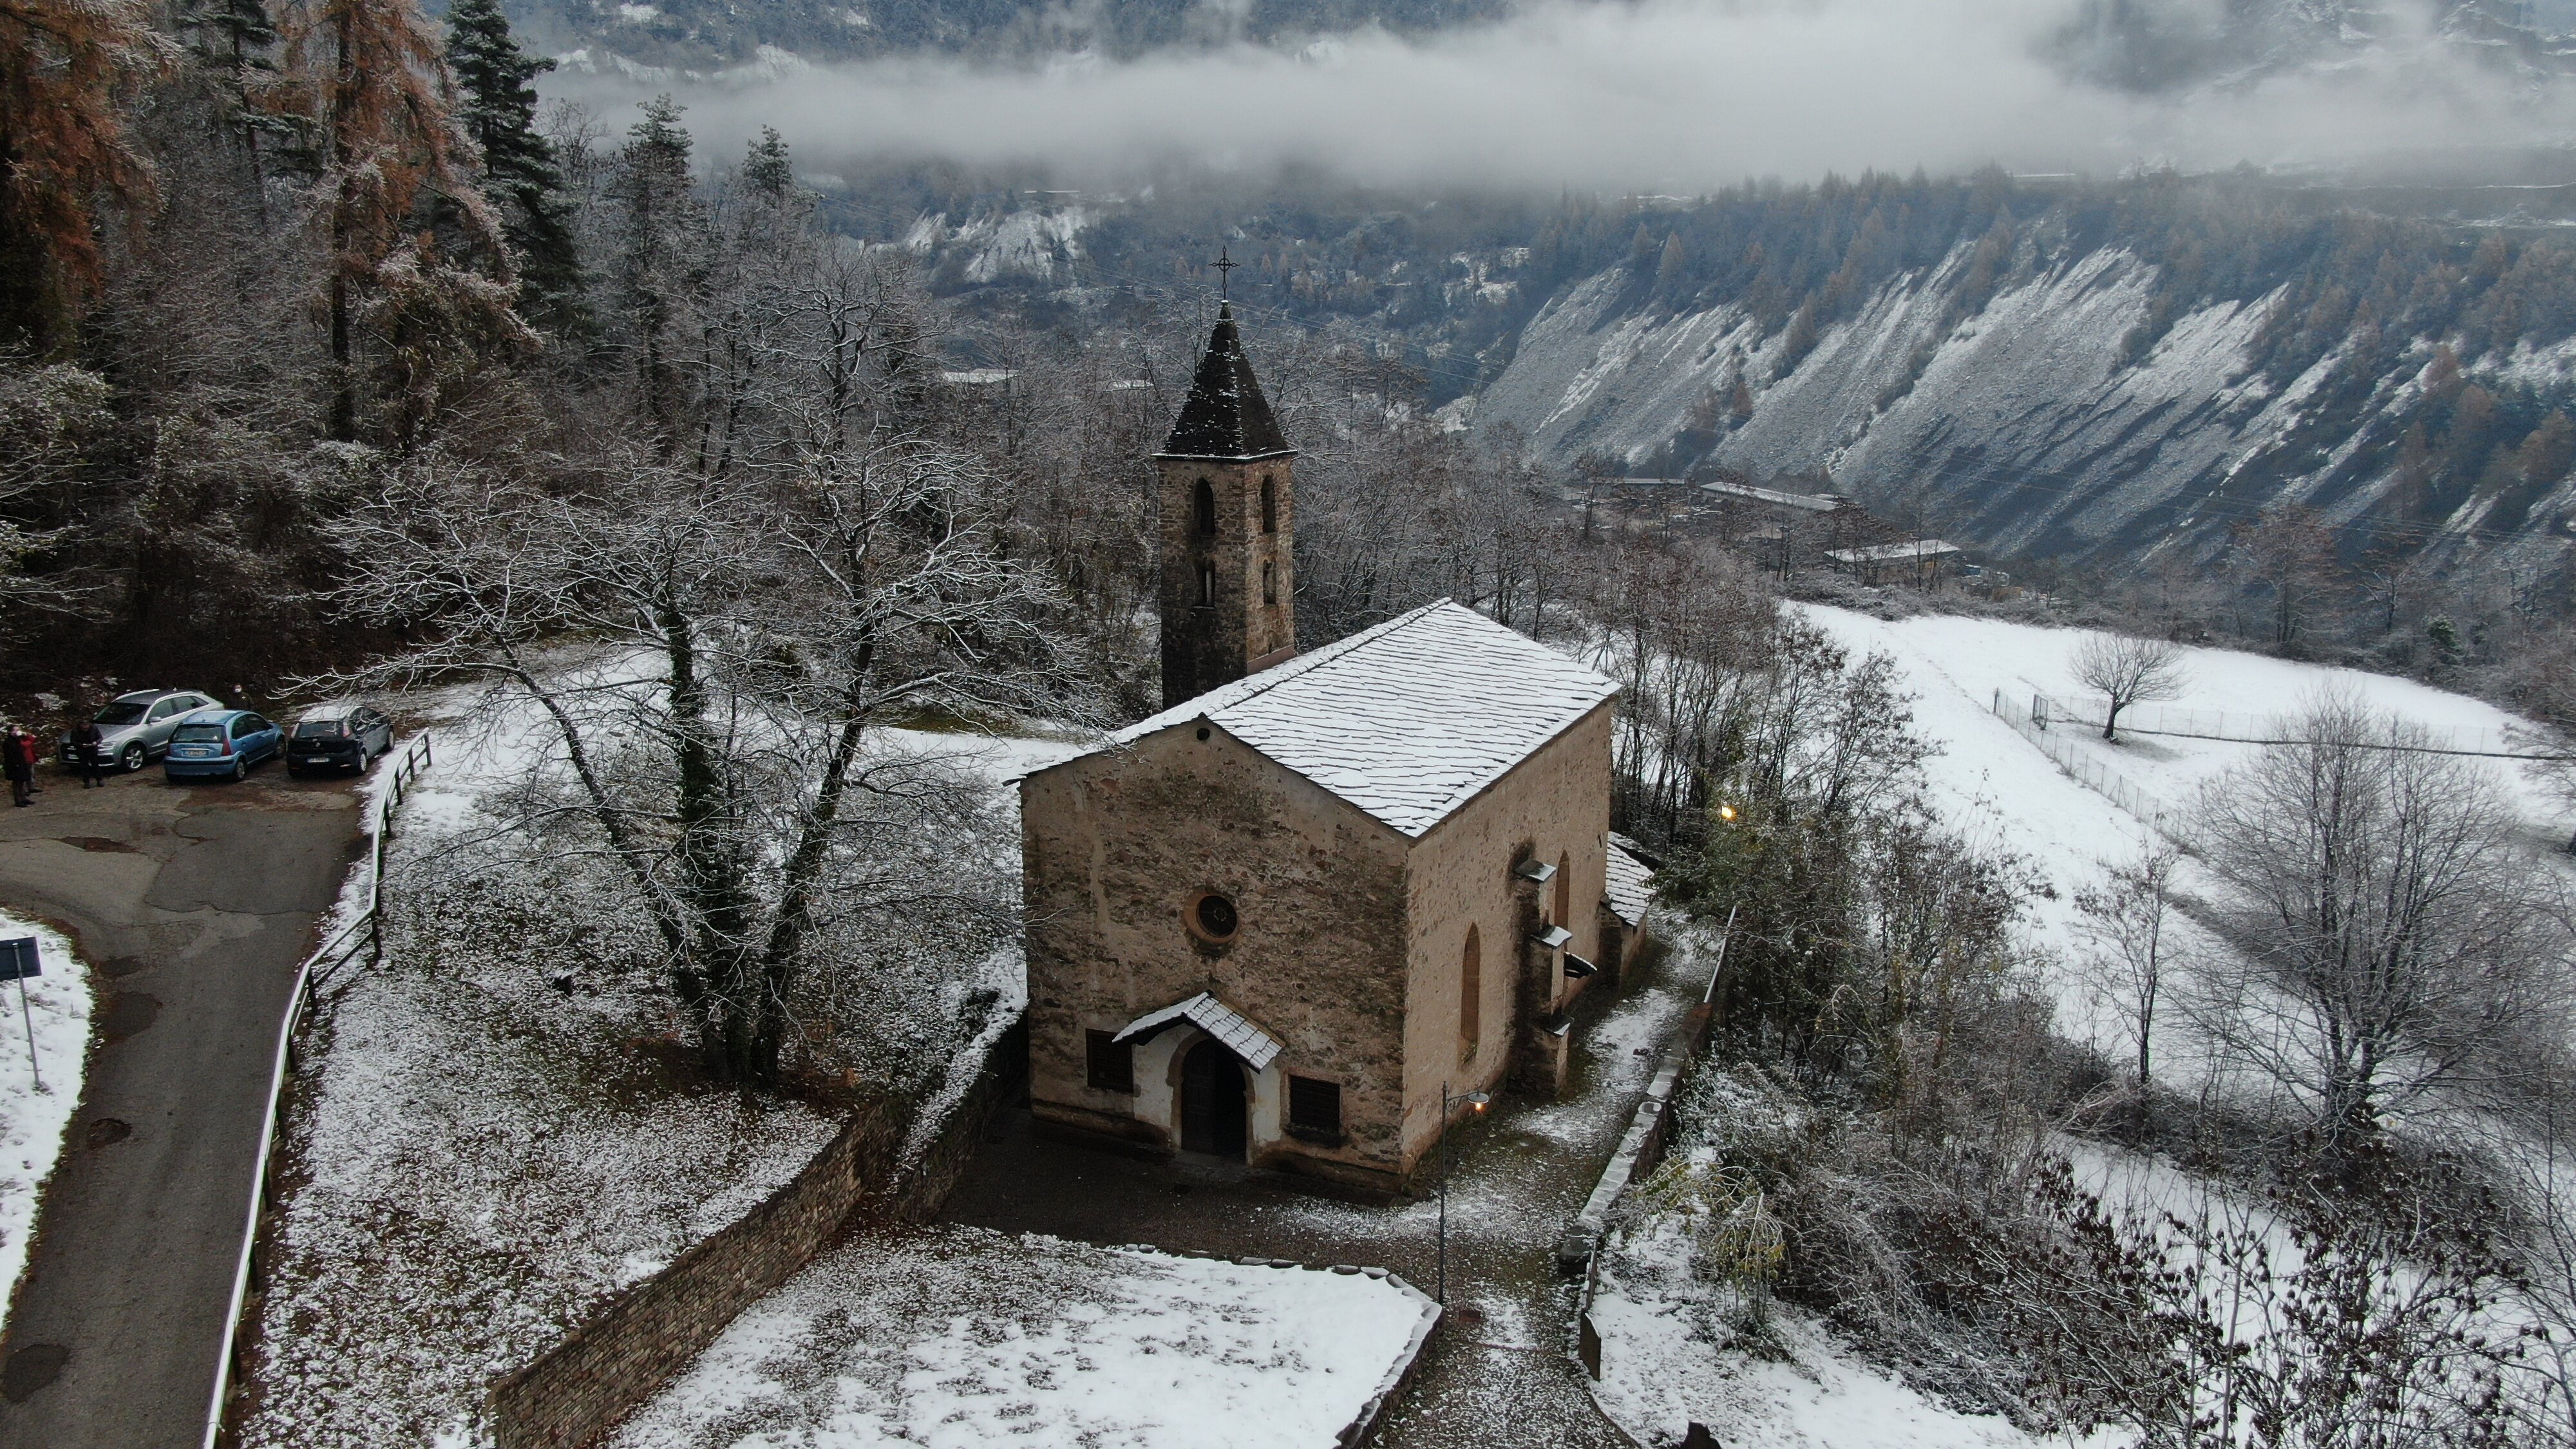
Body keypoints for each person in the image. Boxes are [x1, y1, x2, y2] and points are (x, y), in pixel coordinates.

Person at [70, 715, 106, 788]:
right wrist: (81, 745)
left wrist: (96, 742)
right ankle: (86, 782)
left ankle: (99, 780)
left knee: (95, 765)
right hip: (82, 750)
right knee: (84, 766)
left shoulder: (94, 728)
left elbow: (100, 737)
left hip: (92, 748)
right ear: (80, 726)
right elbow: (73, 742)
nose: (85, 728)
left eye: (87, 726)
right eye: (84, 726)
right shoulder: (75, 731)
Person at [3, 726, 28, 807]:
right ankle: (18, 800)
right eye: (16, 730)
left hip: (20, 763)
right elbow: (10, 755)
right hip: (14, 765)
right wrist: (15, 764)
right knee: (16, 782)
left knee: (21, 781)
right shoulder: (8, 742)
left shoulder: (17, 740)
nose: (18, 732)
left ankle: (23, 798)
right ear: (11, 732)